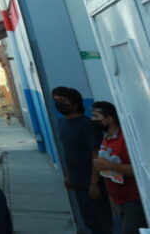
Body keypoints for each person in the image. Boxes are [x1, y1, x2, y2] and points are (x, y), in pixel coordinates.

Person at [52, 87, 110, 234]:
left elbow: (96, 153)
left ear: (75, 104)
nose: (59, 104)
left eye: (63, 101)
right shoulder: (62, 123)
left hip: (92, 182)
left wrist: (94, 183)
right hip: (77, 182)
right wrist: (67, 175)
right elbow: (67, 151)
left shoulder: (87, 124)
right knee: (88, 220)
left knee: (103, 221)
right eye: (56, 100)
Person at [90, 101, 147, 234]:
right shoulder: (105, 139)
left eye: (96, 116)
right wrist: (111, 199)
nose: (92, 120)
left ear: (109, 119)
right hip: (117, 201)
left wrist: (110, 165)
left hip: (134, 201)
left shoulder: (125, 140)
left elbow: (138, 170)